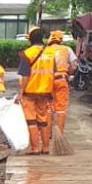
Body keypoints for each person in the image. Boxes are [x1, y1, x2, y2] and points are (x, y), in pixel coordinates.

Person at [16, 26, 56, 155]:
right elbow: (53, 72)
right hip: (45, 92)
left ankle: (35, 148)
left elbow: (25, 75)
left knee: (31, 121)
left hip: (30, 92)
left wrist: (20, 92)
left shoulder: (27, 53)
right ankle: (45, 148)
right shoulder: (50, 53)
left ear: (30, 39)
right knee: (43, 120)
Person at [49, 31, 78, 134]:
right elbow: (74, 65)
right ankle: (59, 134)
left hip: (48, 81)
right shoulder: (67, 49)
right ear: (60, 40)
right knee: (61, 109)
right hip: (62, 79)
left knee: (48, 107)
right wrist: (69, 74)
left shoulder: (45, 50)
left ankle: (47, 133)